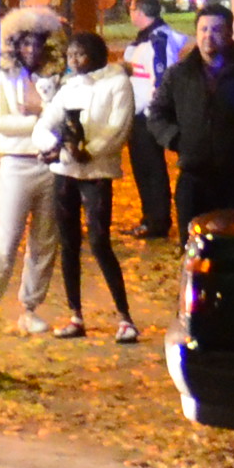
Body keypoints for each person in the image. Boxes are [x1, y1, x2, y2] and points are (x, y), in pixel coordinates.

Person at [45, 27, 140, 343]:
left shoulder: (117, 84)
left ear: (95, 56)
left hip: (96, 172)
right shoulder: (69, 86)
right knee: (68, 243)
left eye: (80, 54)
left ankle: (124, 316)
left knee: (99, 241)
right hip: (65, 171)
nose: (73, 60)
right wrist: (54, 145)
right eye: (70, 55)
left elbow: (118, 128)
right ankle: (75, 314)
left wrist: (88, 151)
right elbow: (50, 120)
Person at [156, 4, 234, 228]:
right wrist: (177, 139)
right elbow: (157, 113)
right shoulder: (179, 74)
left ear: (229, 33)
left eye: (216, 30)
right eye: (203, 29)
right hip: (193, 177)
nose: (209, 36)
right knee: (193, 250)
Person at [0, 10, 66, 337]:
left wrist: (41, 116)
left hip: (50, 164)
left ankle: (29, 308)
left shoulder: (58, 78)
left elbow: (67, 118)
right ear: (14, 44)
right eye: (25, 44)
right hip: (16, 164)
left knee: (45, 243)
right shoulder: (3, 77)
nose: (31, 51)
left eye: (37, 43)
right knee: (5, 243)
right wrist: (39, 120)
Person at [123, 1, 183, 239]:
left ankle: (157, 221)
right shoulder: (147, 38)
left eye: (131, 9)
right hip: (141, 114)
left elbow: (161, 79)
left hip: (148, 116)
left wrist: (154, 112)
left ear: (139, 11)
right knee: (143, 169)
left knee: (151, 170)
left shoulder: (158, 41)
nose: (130, 13)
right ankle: (149, 218)